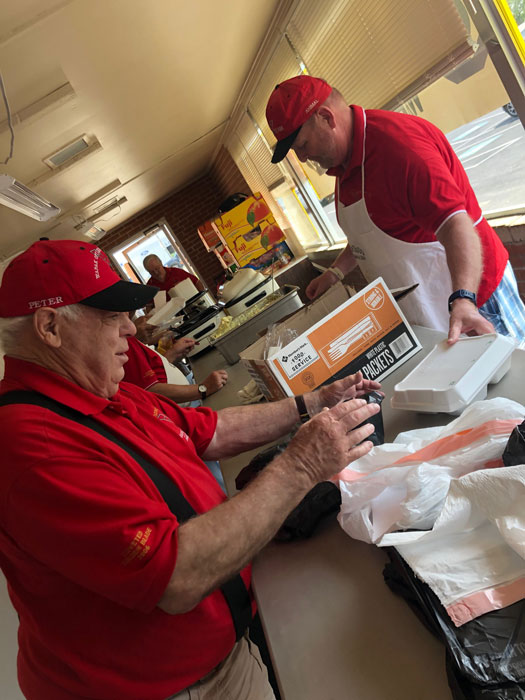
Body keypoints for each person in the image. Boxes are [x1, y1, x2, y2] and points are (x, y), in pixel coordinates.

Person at [0, 239, 381, 700]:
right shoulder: (30, 445)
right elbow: (176, 575)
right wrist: (302, 464)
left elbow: (209, 429)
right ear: (50, 327)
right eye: (110, 316)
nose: (130, 330)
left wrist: (311, 403)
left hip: (220, 652)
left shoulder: (101, 389)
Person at [266, 75, 525, 344]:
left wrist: (464, 299)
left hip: (476, 303)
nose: (303, 158)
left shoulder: (399, 150)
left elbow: (456, 224)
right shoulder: (344, 167)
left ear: (326, 117)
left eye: (302, 146)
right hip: (434, 313)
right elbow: (369, 237)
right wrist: (335, 272)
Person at [124, 331, 229, 490]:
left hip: (186, 410)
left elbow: (151, 372)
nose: (131, 326)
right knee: (219, 480)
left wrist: (172, 354)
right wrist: (203, 388)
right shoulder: (125, 341)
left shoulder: (128, 337)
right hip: (181, 420)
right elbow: (151, 390)